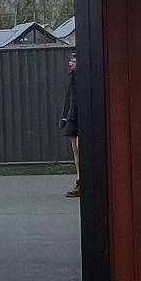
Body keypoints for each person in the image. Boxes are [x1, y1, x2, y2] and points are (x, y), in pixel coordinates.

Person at [59, 53, 79, 197]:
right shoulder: (73, 77)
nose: (70, 63)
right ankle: (80, 180)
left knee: (80, 147)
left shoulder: (85, 77)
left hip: (83, 114)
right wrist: (65, 117)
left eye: (74, 61)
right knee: (75, 148)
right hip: (73, 115)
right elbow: (70, 97)